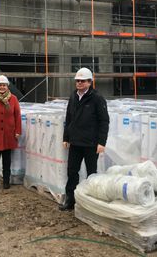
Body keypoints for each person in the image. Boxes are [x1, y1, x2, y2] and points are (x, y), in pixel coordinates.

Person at [59, 67, 109, 211]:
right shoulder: (74, 96)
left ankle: (90, 203)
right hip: (75, 142)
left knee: (91, 174)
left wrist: (101, 142)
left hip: (91, 144)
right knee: (72, 172)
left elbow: (104, 121)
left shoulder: (97, 98)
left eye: (82, 81)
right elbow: (69, 118)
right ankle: (70, 201)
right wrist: (66, 137)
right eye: (77, 81)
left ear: (89, 82)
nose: (79, 83)